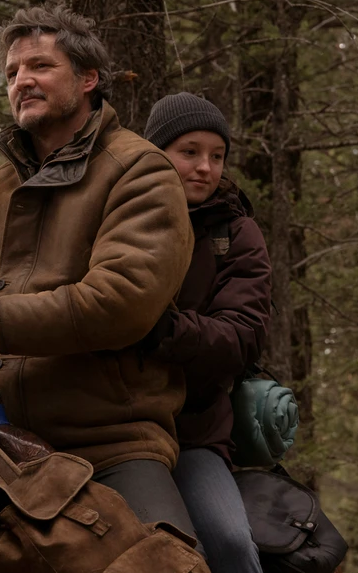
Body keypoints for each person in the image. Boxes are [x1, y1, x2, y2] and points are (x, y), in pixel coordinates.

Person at [0, 6, 201, 543]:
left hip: (108, 444)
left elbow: (122, 301)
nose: (22, 81)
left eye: (41, 66)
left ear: (88, 79)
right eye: (11, 73)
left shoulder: (139, 171)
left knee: (167, 562)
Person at [140, 92, 272, 573]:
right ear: (156, 153)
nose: (205, 168)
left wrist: (161, 331)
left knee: (230, 543)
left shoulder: (236, 233)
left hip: (194, 434)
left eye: (217, 156)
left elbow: (242, 337)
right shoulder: (121, 217)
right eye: (189, 152)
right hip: (111, 428)